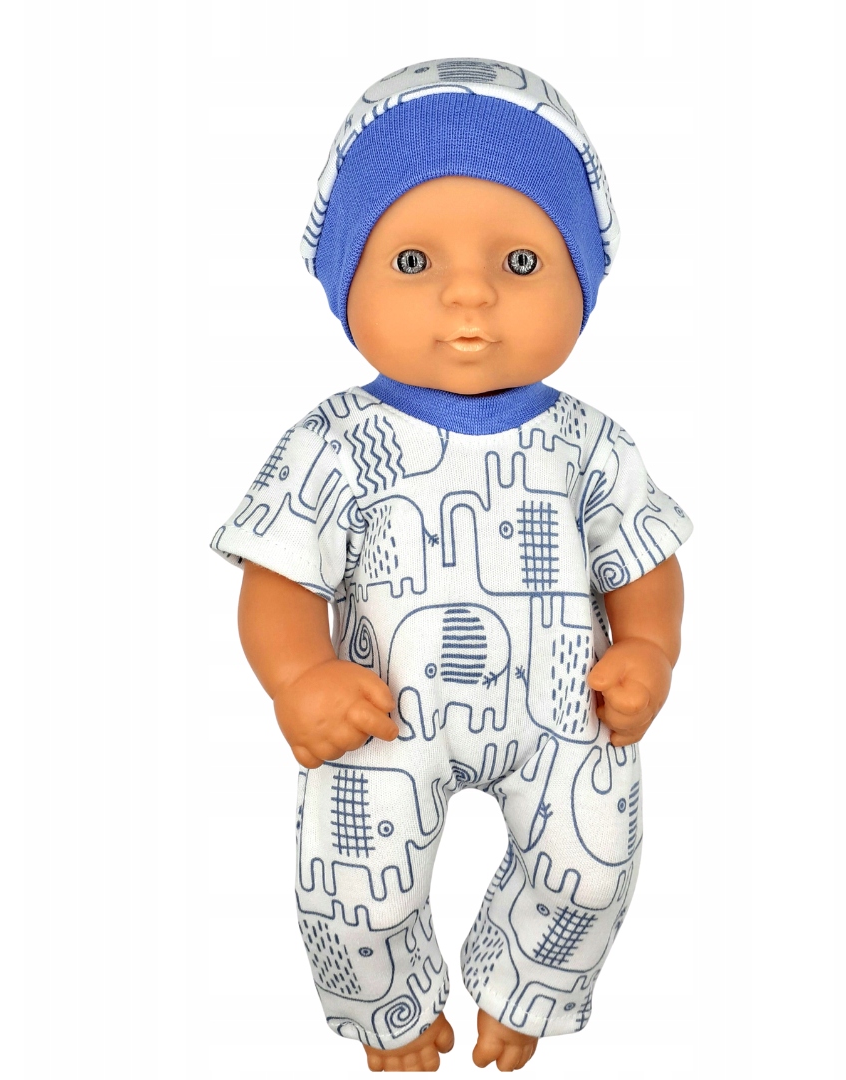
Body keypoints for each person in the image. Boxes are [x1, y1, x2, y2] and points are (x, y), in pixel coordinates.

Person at [211, 58, 692, 1072]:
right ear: (345, 285)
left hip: (565, 710)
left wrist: (649, 648)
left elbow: (642, 562)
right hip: (383, 710)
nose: (469, 293)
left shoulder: (591, 444)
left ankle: (527, 989)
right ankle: (386, 1012)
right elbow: (279, 577)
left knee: (590, 869)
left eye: (520, 262)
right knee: (356, 889)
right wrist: (299, 677)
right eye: (412, 260)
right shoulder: (334, 442)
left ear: (582, 286)